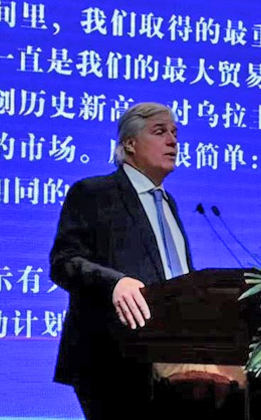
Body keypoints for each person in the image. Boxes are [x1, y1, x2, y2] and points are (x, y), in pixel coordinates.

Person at [49, 102, 193, 419]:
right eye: (160, 131)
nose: (173, 140)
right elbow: (64, 262)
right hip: (111, 359)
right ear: (129, 143)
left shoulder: (168, 203)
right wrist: (115, 284)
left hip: (171, 361)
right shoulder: (94, 193)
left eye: (175, 133)